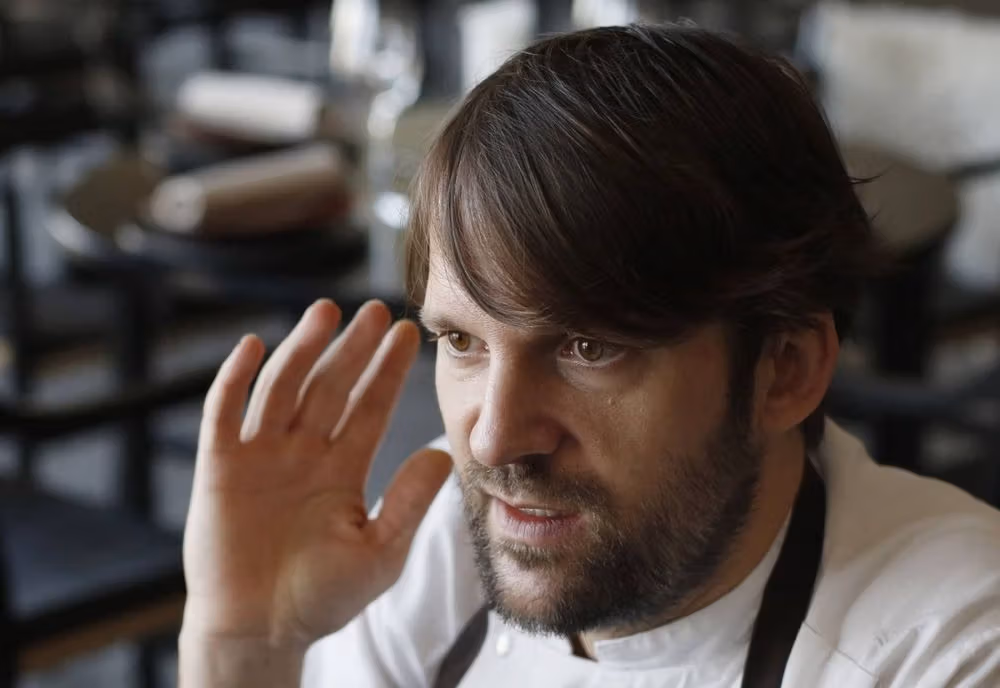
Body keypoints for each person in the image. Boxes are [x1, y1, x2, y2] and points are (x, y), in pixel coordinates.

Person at [179, 24, 1000, 688]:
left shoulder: (953, 649)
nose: (495, 440)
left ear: (785, 369)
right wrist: (246, 644)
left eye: (587, 347)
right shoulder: (439, 540)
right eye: (462, 342)